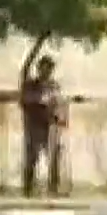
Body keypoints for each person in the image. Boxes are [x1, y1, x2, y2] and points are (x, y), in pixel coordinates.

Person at [19, 55, 65, 197]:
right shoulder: (31, 85)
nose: (47, 71)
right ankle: (27, 189)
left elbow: (58, 103)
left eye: (49, 68)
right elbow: (25, 101)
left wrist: (59, 117)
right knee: (31, 157)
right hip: (34, 125)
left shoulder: (54, 85)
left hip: (50, 125)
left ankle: (54, 188)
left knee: (54, 157)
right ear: (39, 68)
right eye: (44, 67)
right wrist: (40, 101)